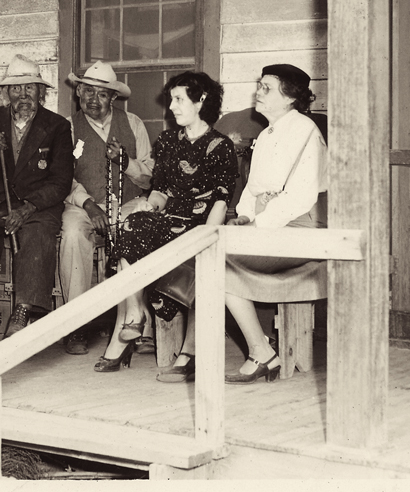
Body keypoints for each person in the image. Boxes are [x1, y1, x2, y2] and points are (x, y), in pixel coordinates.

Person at [95, 71, 237, 379]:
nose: (171, 107)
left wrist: (207, 237)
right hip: (171, 219)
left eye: (178, 99)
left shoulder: (219, 145)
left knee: (160, 257)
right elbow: (159, 190)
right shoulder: (169, 141)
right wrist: (150, 204)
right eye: (171, 99)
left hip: (201, 224)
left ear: (201, 101)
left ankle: (186, 353)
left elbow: (221, 199)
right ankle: (135, 314)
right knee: (132, 224)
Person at [0, 55, 75, 357]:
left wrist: (27, 209)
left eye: (30, 88)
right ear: (6, 94)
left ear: (41, 92)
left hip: (38, 207)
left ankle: (22, 313)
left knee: (38, 237)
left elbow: (61, 181)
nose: (23, 95)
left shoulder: (57, 126)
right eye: (16, 89)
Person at [224, 64, 327, 385]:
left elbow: (300, 197)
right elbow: (253, 190)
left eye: (267, 87)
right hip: (270, 226)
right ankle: (261, 352)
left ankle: (260, 352)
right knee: (210, 253)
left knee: (220, 265)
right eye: (260, 85)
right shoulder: (268, 134)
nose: (258, 92)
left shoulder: (306, 131)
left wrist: (260, 224)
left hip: (302, 230)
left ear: (290, 97)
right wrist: (244, 217)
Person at [59, 61, 154, 355]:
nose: (93, 99)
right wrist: (88, 204)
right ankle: (76, 325)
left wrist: (126, 163)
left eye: (102, 94)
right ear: (78, 93)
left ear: (113, 98)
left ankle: (142, 324)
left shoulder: (134, 123)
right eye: (88, 91)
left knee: (142, 226)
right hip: (84, 203)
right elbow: (61, 177)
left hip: (127, 202)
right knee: (73, 232)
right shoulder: (67, 126)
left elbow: (150, 174)